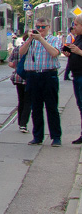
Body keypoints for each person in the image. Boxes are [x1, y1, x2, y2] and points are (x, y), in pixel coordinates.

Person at [15, 17, 64, 146]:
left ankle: (56, 137)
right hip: (33, 76)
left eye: (43, 27)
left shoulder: (54, 39)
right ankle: (37, 136)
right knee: (35, 108)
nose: (40, 30)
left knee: (52, 107)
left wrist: (41, 39)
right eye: (38, 27)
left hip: (49, 75)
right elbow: (21, 53)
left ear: (49, 27)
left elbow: (54, 53)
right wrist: (30, 39)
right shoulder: (31, 41)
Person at [65, 17, 82, 144]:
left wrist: (79, 52)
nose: (73, 27)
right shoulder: (78, 38)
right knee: (80, 106)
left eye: (76, 24)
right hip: (76, 76)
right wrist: (69, 52)